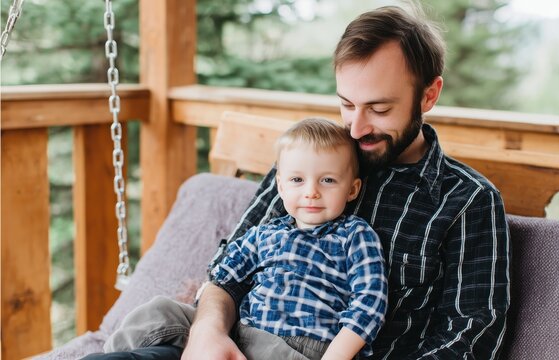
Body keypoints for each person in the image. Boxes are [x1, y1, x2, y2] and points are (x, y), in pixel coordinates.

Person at [90, 4, 511, 360]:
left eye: (379, 109)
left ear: (428, 95)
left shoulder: (467, 201)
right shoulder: (311, 162)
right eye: (347, 104)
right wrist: (207, 332)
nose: (357, 127)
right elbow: (230, 269)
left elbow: (469, 339)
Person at [87, 118, 388, 360]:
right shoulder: (264, 233)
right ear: (281, 187)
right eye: (298, 180)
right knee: (160, 310)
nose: (311, 191)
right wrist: (209, 327)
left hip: (298, 347)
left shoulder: (355, 236)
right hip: (240, 332)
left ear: (352, 189)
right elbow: (223, 277)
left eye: (328, 180)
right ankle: (121, 353)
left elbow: (369, 304)